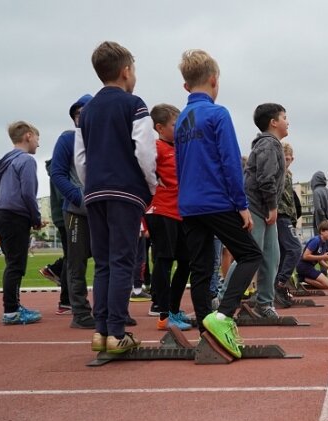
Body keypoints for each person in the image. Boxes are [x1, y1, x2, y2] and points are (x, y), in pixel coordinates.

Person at [175, 49, 262, 358]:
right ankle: (223, 316)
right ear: (214, 80)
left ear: (186, 86)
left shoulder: (182, 119)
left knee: (200, 269)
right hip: (216, 201)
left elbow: (180, 163)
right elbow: (230, 161)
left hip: (189, 204)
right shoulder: (218, 113)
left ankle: (205, 333)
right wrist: (241, 204)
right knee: (251, 255)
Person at [74, 41, 156, 354]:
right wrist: (150, 185)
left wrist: (90, 186)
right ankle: (118, 331)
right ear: (125, 72)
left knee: (105, 262)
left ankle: (101, 330)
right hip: (125, 190)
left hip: (94, 191)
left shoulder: (87, 111)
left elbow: (80, 157)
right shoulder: (134, 104)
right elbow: (145, 150)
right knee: (124, 260)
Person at [227, 102, 288, 319]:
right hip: (256, 206)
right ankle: (224, 300)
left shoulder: (272, 145)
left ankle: (264, 303)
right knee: (249, 255)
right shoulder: (268, 145)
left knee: (272, 257)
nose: (287, 122)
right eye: (284, 117)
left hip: (264, 208)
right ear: (273, 122)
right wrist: (272, 207)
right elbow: (265, 178)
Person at [0, 121, 45, 325]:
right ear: (28, 136)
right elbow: (28, 194)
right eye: (38, 139)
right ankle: (11, 311)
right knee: (16, 265)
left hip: (0, 214)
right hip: (14, 217)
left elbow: (0, 193)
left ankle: (12, 307)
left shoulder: (4, 162)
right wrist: (36, 218)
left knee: (11, 264)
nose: (38, 145)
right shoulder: (26, 161)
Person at [50, 94, 97, 329]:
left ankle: (107, 309)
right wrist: (78, 197)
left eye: (86, 112)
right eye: (78, 113)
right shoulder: (67, 139)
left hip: (101, 210)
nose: (82, 117)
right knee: (76, 262)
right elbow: (57, 173)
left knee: (106, 261)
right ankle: (80, 312)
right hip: (76, 212)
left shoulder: (102, 139)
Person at [145, 103, 192, 331]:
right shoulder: (156, 147)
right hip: (161, 211)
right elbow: (141, 168)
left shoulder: (179, 147)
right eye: (175, 125)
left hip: (179, 212)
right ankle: (163, 313)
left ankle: (173, 308)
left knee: (186, 262)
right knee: (164, 261)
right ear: (160, 127)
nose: (180, 128)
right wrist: (154, 184)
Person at [274, 142, 302, 308]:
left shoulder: (288, 173)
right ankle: (280, 282)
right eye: (285, 158)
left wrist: (294, 216)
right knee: (295, 249)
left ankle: (277, 286)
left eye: (290, 158)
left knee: (284, 252)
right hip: (280, 215)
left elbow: (290, 199)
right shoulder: (277, 172)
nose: (288, 160)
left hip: (287, 216)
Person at [41, 158, 71, 315]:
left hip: (65, 215)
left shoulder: (59, 166)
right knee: (73, 257)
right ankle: (66, 301)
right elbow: (64, 194)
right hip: (68, 215)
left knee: (73, 256)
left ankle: (54, 269)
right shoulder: (60, 166)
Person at [295, 220, 328, 290]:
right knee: (327, 285)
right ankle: (301, 278)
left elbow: (319, 259)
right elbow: (305, 256)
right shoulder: (316, 240)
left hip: (309, 267)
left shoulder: (324, 243)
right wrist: (323, 256)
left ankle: (302, 277)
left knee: (326, 284)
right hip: (303, 266)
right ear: (322, 231)